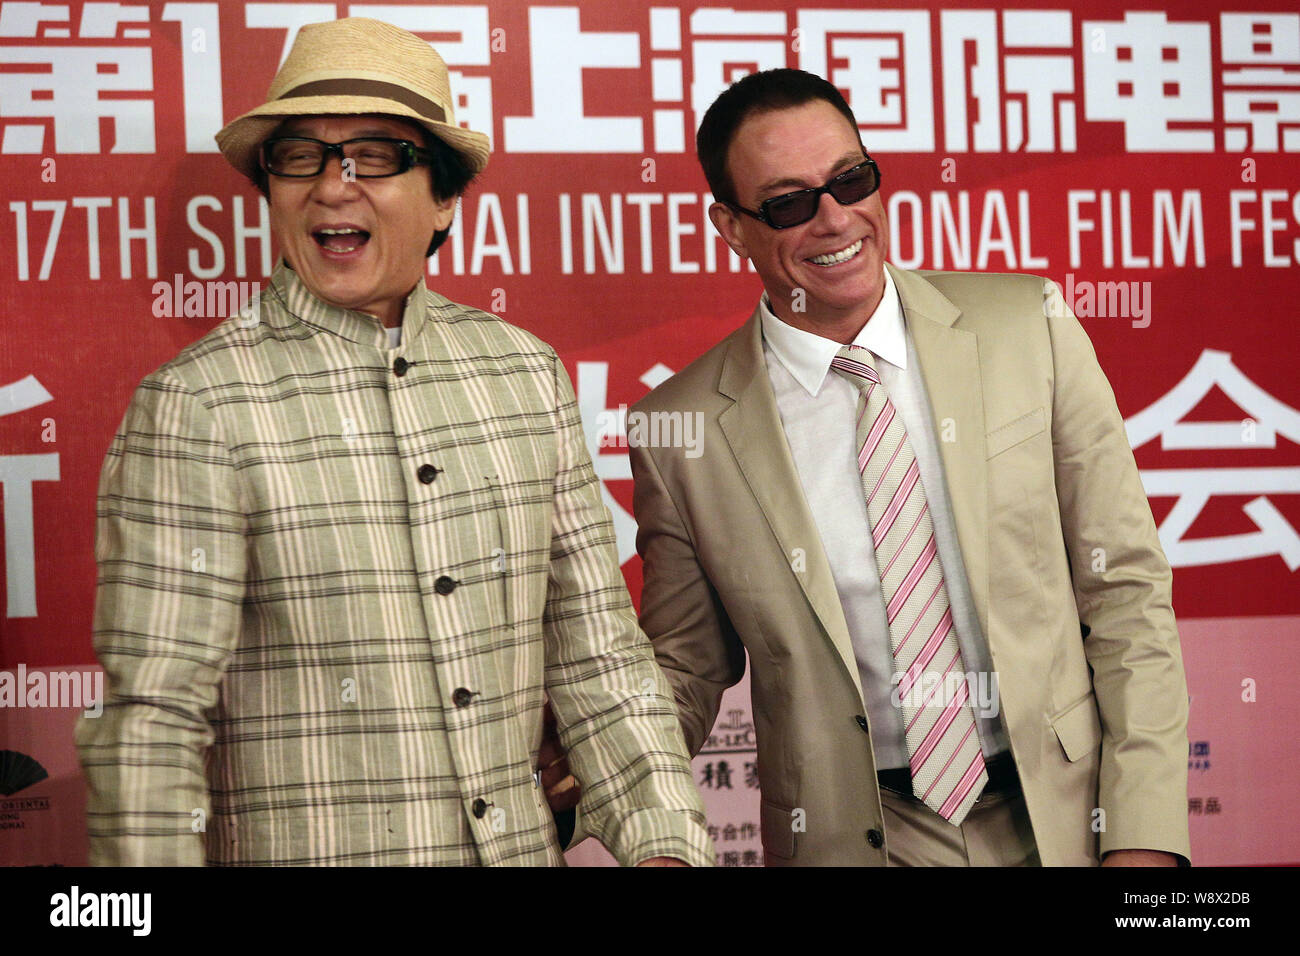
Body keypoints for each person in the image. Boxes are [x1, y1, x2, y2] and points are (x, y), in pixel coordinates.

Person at [75, 17, 711, 867]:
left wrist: (664, 843)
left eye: (375, 155)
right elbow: (151, 727)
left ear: (445, 196)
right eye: (299, 156)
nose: (333, 188)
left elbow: (599, 651)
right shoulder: (197, 406)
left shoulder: (524, 374)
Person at [628, 68, 1190, 866]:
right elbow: (685, 666)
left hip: (1068, 814)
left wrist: (1145, 842)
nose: (834, 219)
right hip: (855, 836)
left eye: (851, 180)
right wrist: (595, 766)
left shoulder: (1030, 328)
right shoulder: (681, 430)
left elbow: (1126, 591)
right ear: (730, 225)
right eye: (788, 203)